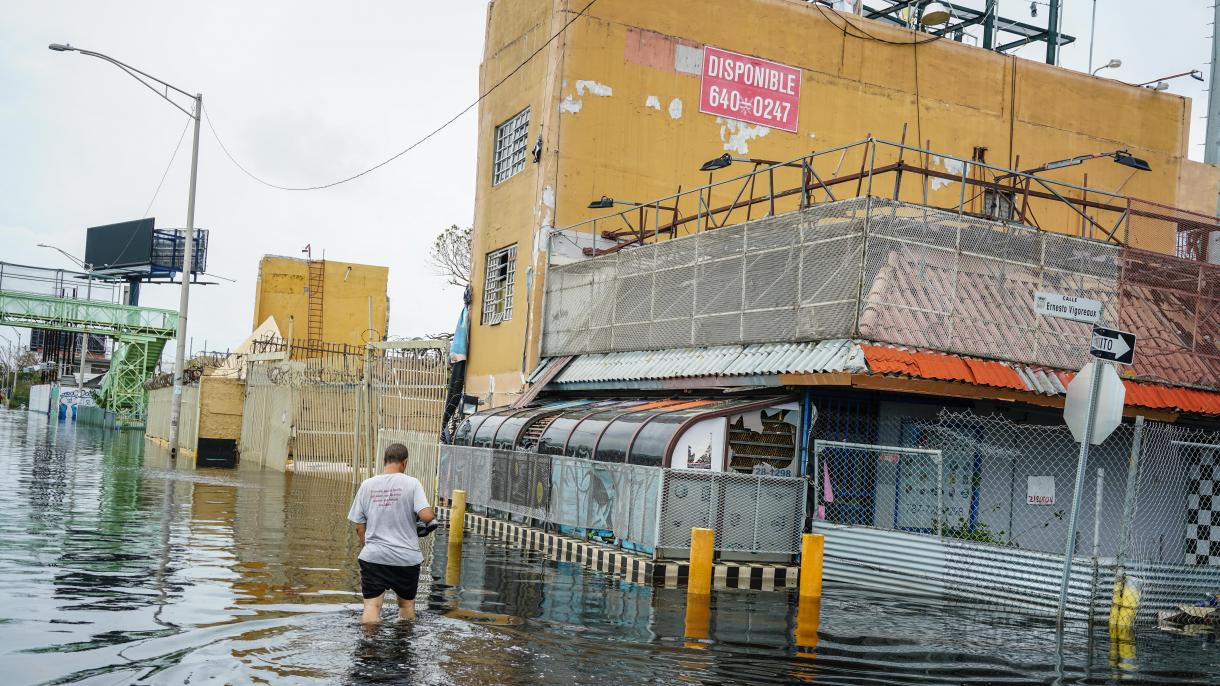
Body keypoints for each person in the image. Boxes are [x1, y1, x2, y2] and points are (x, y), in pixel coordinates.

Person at [347, 443, 436, 623]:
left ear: (384, 461)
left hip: (374, 557)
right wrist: (432, 515)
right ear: (405, 462)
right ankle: (402, 646)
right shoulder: (412, 483)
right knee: (406, 607)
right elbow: (426, 516)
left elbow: (359, 526)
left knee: (372, 607)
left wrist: (371, 546)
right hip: (406, 558)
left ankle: (369, 648)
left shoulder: (367, 485)